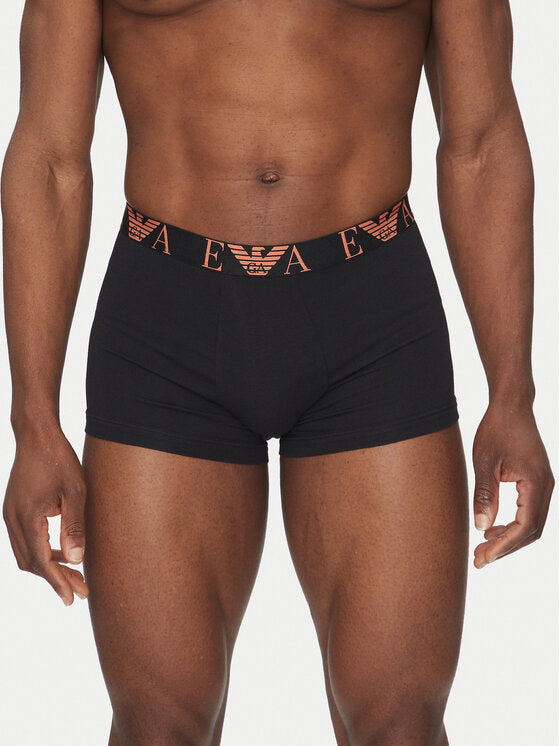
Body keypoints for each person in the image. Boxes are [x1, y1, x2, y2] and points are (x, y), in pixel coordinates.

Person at [1, 0, 555, 744]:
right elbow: (49, 158)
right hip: (167, 324)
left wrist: (513, 392)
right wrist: (33, 420)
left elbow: (482, 141)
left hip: (372, 321)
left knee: (401, 726)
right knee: (157, 728)